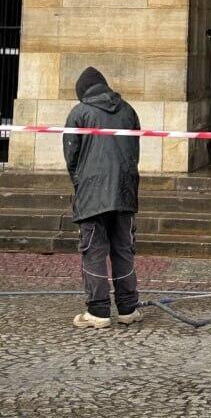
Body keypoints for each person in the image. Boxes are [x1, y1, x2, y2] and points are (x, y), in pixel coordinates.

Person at [64, 66, 143, 329]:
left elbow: (71, 156)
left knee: (94, 250)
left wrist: (81, 183)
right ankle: (128, 308)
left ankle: (98, 311)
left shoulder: (80, 112)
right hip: (124, 189)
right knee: (123, 248)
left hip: (92, 191)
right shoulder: (128, 110)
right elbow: (134, 151)